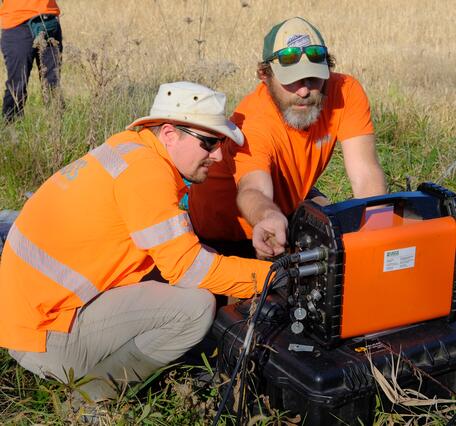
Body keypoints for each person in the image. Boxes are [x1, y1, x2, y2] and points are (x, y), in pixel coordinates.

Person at [0, 81, 271, 407]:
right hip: (45, 335)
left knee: (196, 276)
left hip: (31, 315)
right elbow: (189, 270)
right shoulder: (148, 175)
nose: (217, 155)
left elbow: (171, 253)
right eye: (210, 142)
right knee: (195, 308)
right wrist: (273, 276)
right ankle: (90, 400)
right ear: (170, 134)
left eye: (221, 144)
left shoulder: (133, 150)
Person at [189, 16, 387, 259]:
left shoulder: (345, 92)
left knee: (338, 224)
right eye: (291, 81)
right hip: (228, 232)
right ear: (265, 75)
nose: (303, 91)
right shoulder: (253, 121)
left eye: (313, 79)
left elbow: (365, 173)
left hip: (287, 206)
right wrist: (268, 217)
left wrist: (379, 237)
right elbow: (253, 190)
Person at [0, 0, 63, 122]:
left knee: (52, 85)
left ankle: (56, 133)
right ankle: (11, 133)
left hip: (49, 22)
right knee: (17, 86)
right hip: (17, 25)